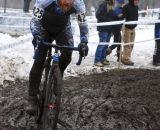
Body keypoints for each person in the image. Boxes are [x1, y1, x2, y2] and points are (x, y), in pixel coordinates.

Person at [26, 0, 89, 114]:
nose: (66, 8)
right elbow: (35, 20)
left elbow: (83, 24)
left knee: (67, 55)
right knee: (39, 59)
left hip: (63, 28)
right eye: (64, 5)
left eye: (69, 6)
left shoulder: (79, 4)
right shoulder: (45, 1)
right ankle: (32, 97)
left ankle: (57, 76)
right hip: (43, 27)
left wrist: (84, 41)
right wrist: (36, 35)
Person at [94, 0, 115, 67]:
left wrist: (112, 29)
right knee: (102, 45)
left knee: (106, 45)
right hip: (103, 29)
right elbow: (97, 15)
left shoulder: (111, 5)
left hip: (109, 29)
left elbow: (112, 17)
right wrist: (108, 20)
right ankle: (97, 61)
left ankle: (103, 59)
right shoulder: (104, 4)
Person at [121, 0, 139, 65]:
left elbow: (137, 16)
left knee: (131, 44)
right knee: (127, 44)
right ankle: (126, 59)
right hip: (126, 28)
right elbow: (123, 17)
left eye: (138, 0)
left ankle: (125, 57)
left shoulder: (136, 7)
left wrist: (135, 24)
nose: (137, 2)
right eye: (136, 0)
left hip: (133, 28)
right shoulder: (126, 7)